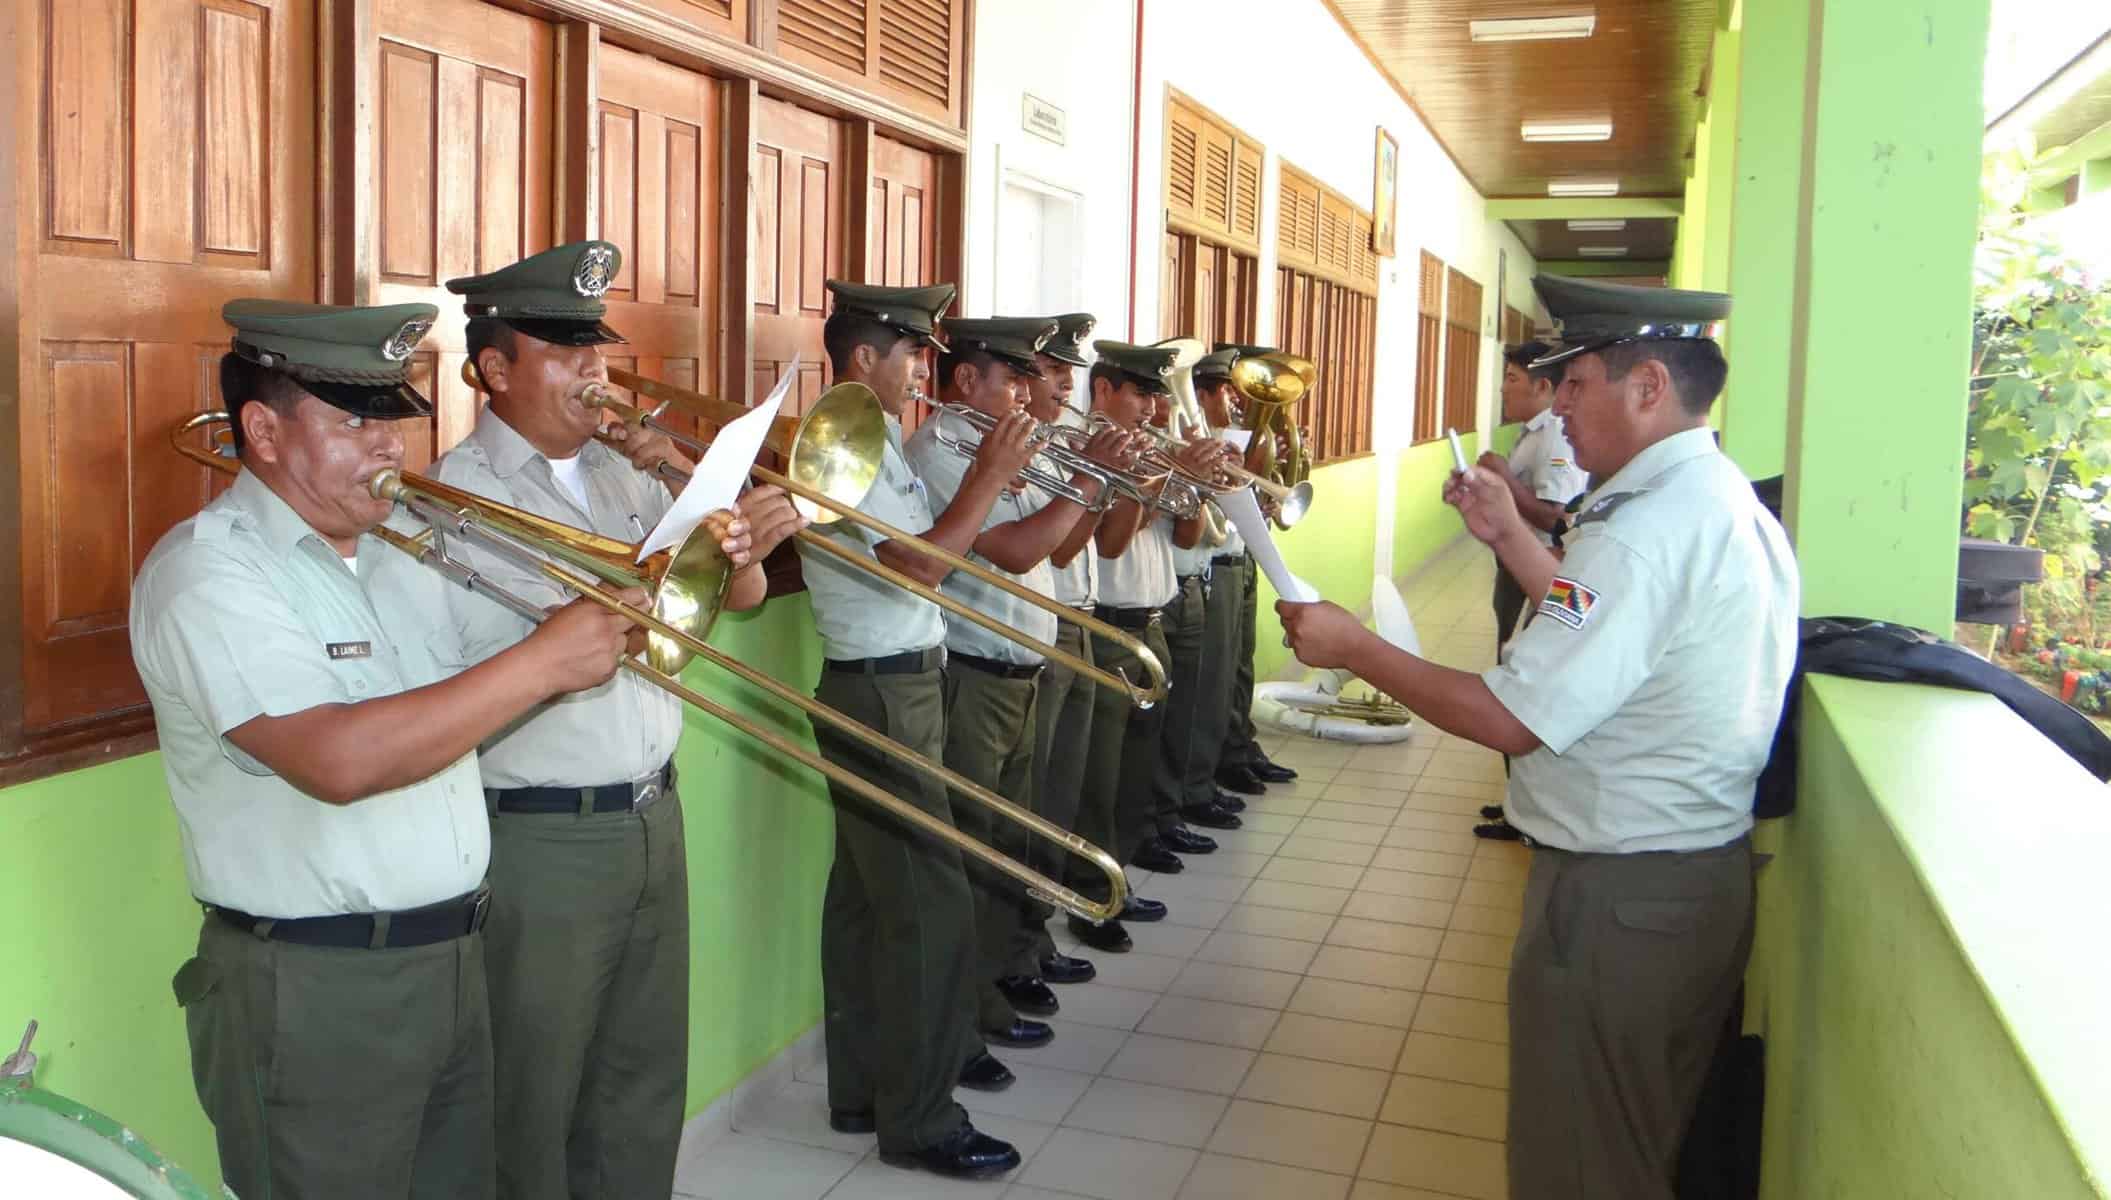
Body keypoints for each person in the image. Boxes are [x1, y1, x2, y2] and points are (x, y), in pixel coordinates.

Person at [1277, 275, 1796, 1200]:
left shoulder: (1648, 532)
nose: (1556, 407)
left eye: (1574, 384)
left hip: (1622, 897)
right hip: (1673, 876)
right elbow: (1613, 635)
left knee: (1584, 1163)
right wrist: (1510, 535)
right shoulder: (1708, 496)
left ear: (1646, 385)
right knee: (1624, 1144)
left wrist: (1352, 644)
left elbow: (1511, 718)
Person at [133, 300, 642, 1200]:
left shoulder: (403, 553)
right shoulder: (208, 572)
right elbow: (335, 760)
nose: (386, 448)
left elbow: (467, 711)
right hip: (316, 986)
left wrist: (592, 639)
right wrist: (540, 661)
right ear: (261, 432)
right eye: (352, 421)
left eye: (392, 422)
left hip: (452, 960)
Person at [390, 241, 804, 1200]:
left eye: (597, 350)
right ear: (495, 369)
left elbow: (717, 611)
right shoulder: (457, 499)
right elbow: (545, 658)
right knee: (535, 1098)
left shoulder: (625, 474)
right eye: (567, 351)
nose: (595, 372)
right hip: (543, 835)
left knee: (641, 1081)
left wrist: (740, 543)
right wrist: (674, 568)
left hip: (652, 813)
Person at [796, 280, 1034, 1180]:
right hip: (883, 693)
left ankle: (863, 1089)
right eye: (911, 355)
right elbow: (919, 569)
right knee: (930, 909)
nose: (921, 371)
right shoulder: (841, 444)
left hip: (889, 684)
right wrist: (990, 478)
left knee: (864, 904)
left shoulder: (872, 439)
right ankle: (922, 1118)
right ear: (866, 357)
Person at [903, 314, 1130, 1042]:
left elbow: (1063, 547)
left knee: (1011, 844)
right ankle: (974, 1004)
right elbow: (1021, 551)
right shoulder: (938, 450)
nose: (1028, 396)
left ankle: (1008, 968)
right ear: (967, 380)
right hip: (974, 674)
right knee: (976, 851)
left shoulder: (1007, 447)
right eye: (1013, 380)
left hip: (1023, 670)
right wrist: (1089, 477)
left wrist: (1094, 480)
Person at [1079, 341, 1230, 898]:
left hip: (1153, 613)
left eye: (1154, 395)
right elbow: (1113, 541)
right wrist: (1166, 480)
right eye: (1141, 393)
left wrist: (1195, 481)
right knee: (1102, 770)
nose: (1151, 408)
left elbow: (1189, 534)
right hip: (1112, 616)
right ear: (1102, 390)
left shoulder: (1147, 450)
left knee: (1142, 752)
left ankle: (1139, 840)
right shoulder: (1086, 447)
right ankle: (1099, 877)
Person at [1013, 313, 1140, 968]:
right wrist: (1096, 478)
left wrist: (1122, 477)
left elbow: (1100, 541)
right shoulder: (1024, 447)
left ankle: (1067, 905)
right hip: (1047, 620)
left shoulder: (1065, 440)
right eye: (1051, 370)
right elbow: (1059, 551)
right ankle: (1031, 933)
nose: (1065, 384)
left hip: (1076, 616)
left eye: (1068, 371)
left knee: (1073, 785)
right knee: (1041, 797)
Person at [1476, 340, 1591, 840]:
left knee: (1524, 678)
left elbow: (1552, 515)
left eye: (1513, 379)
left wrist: (1503, 482)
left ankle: (1526, 809)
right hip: (1522, 564)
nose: (1503, 387)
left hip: (1545, 566)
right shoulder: (1530, 434)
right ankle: (1516, 802)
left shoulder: (1557, 439)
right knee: (1510, 661)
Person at [1152, 350, 1244, 835]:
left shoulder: (1190, 445)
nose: (1157, 406)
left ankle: (1190, 794)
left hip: (1193, 580)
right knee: (1173, 714)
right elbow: (1189, 536)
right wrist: (1186, 474)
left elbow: (1203, 528)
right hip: (1169, 587)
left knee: (1201, 702)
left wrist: (1211, 478)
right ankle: (1171, 806)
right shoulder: (1163, 449)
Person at [1208, 341, 1300, 796]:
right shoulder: (1204, 435)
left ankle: (1241, 746)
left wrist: (1270, 465)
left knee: (1241, 662)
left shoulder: (1245, 432)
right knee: (1219, 673)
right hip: (1218, 558)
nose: (1235, 400)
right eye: (1230, 389)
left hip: (1245, 551)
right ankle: (1222, 760)